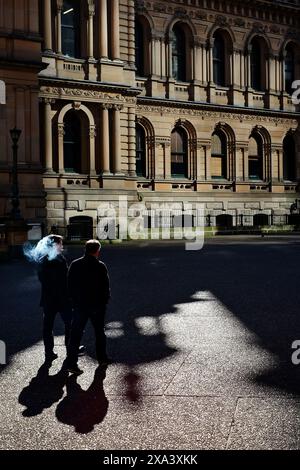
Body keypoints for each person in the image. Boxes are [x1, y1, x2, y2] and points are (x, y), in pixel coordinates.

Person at [66, 239, 111, 375]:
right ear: (97, 251)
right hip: (97, 305)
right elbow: (105, 286)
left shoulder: (75, 264)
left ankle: (72, 363)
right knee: (99, 332)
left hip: (80, 305)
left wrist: (73, 302)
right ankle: (102, 358)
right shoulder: (100, 265)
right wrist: (104, 301)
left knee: (76, 335)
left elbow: (69, 285)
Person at [37, 235, 72, 362]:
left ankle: (49, 352)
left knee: (48, 327)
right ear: (54, 245)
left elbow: (43, 280)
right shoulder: (58, 260)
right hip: (61, 299)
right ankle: (70, 350)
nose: (62, 246)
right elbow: (64, 280)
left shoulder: (44, 260)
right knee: (69, 324)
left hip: (49, 299)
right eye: (60, 244)